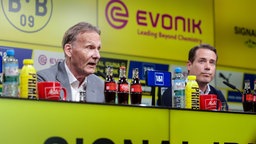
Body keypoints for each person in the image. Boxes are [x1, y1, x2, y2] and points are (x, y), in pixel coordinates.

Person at [37, 22, 104, 103]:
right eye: (90, 48)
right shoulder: (45, 80)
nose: (97, 56)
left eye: (98, 49)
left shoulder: (100, 86)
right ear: (69, 50)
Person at [161, 44, 228, 110]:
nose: (208, 67)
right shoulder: (174, 94)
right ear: (189, 65)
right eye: (202, 61)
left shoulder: (218, 95)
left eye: (212, 62)